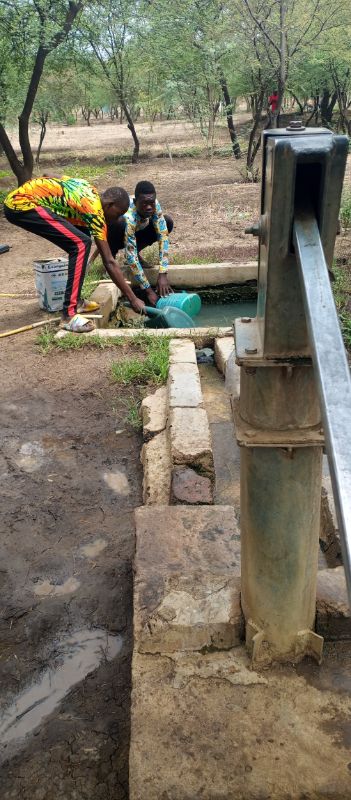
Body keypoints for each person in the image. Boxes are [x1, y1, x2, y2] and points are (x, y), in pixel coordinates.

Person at [4, 176, 145, 332]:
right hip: (21, 205)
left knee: (83, 232)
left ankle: (76, 301)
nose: (116, 219)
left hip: (25, 199)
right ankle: (68, 316)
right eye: (118, 214)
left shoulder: (89, 189)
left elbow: (52, 176)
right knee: (80, 244)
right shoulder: (94, 211)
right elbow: (109, 262)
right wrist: (133, 298)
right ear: (109, 205)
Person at [89, 180, 173, 307]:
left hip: (137, 231)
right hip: (117, 234)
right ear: (135, 202)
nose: (149, 207)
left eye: (151, 203)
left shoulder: (154, 204)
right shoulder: (128, 217)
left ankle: (137, 252)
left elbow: (163, 237)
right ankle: (110, 262)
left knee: (167, 222)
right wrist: (148, 290)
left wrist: (163, 274)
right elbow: (131, 257)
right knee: (118, 224)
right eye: (144, 204)